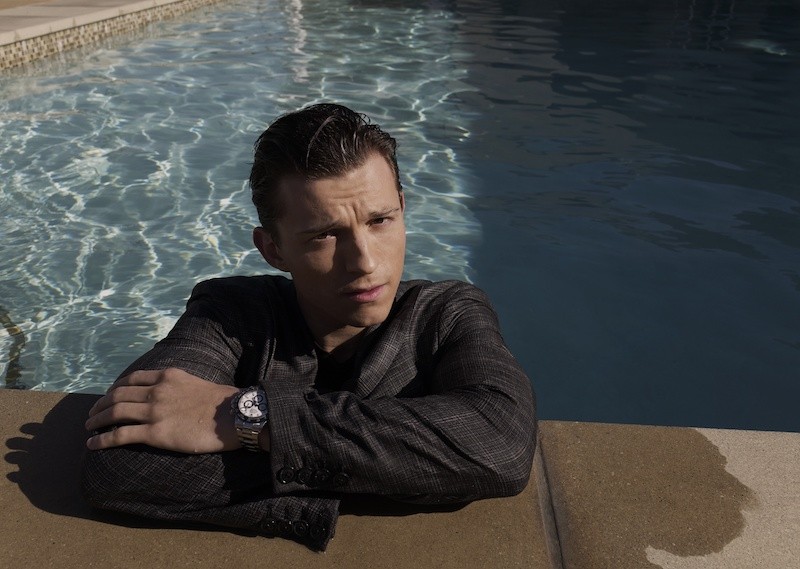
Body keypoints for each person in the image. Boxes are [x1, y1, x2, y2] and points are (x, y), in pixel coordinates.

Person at [82, 103, 536, 551]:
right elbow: (120, 464)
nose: (365, 262)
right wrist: (406, 468)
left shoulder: (447, 314)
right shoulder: (230, 314)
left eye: (380, 220)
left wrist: (249, 417)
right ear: (273, 249)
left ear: (402, 208)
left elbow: (501, 443)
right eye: (324, 235)